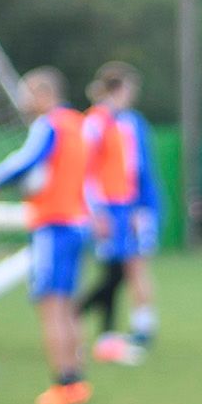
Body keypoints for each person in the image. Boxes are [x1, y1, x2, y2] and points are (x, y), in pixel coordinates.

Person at [0, 67, 100, 404]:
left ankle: (63, 384)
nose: (24, 101)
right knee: (68, 307)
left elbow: (27, 161)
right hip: (77, 223)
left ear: (45, 94)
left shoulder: (49, 125)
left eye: (29, 93)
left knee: (52, 307)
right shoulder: (77, 123)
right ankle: (77, 382)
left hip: (53, 225)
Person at [82, 61, 164, 364]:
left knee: (129, 267)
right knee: (116, 271)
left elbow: (138, 170)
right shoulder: (98, 122)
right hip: (111, 209)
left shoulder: (129, 122)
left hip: (129, 207)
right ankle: (98, 327)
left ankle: (134, 329)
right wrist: (96, 210)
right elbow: (88, 170)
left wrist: (141, 207)